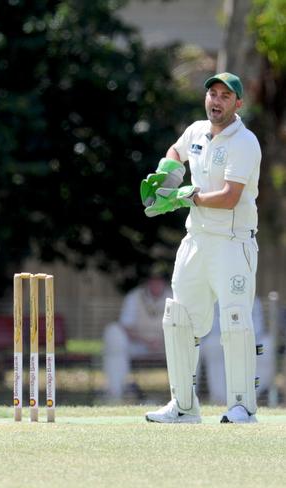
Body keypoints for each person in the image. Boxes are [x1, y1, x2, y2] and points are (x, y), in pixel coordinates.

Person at [141, 72, 262, 423]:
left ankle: (242, 407)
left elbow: (229, 198)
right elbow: (176, 152)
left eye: (226, 95)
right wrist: (167, 176)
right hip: (196, 241)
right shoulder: (195, 131)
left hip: (232, 243)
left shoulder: (245, 142)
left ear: (238, 103)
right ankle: (183, 405)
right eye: (212, 93)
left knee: (236, 320)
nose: (217, 101)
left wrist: (186, 197)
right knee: (179, 319)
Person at [102, 270, 172, 402]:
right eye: (152, 280)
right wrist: (147, 341)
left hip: (168, 346)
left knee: (192, 345)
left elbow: (181, 327)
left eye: (159, 281)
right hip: (138, 345)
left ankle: (187, 397)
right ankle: (115, 394)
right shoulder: (134, 296)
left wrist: (162, 342)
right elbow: (126, 326)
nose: (155, 284)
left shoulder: (174, 296)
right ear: (147, 282)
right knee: (113, 333)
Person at [200, 297, 275, 404]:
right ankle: (220, 399)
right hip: (221, 339)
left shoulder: (253, 299)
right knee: (213, 345)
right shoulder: (216, 300)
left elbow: (257, 328)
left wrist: (242, 340)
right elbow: (213, 328)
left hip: (248, 340)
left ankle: (248, 396)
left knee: (266, 345)